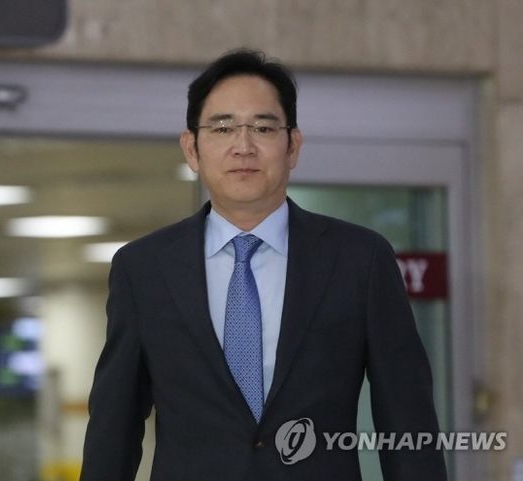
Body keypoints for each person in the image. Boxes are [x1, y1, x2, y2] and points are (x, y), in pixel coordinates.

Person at [80, 49, 447, 481]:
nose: (243, 146)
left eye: (263, 127)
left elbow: (406, 419)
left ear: (293, 146)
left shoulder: (359, 260)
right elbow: (115, 426)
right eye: (222, 128)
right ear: (192, 148)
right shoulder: (143, 270)